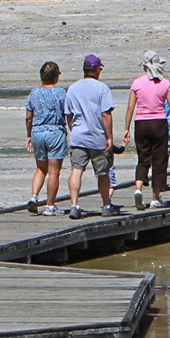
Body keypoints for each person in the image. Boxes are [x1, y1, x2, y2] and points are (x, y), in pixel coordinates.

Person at [122, 50, 170, 209]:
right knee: (159, 160)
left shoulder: (137, 83)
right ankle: (155, 197)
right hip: (159, 122)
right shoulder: (164, 83)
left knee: (143, 159)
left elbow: (130, 107)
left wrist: (126, 128)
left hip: (141, 123)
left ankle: (138, 188)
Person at [65, 54, 121, 219]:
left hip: (78, 136)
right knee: (102, 172)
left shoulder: (73, 88)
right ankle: (106, 204)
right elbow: (106, 114)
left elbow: (68, 114)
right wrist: (109, 137)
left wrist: (73, 129)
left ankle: (74, 205)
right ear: (97, 70)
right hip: (97, 137)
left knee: (76, 170)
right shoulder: (102, 88)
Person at [25, 61, 67, 216]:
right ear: (56, 76)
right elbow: (67, 113)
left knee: (40, 168)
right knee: (54, 171)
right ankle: (50, 205)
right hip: (55, 131)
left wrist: (29, 135)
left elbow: (29, 117)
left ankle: (34, 196)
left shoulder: (34, 93)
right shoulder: (61, 92)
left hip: (37, 132)